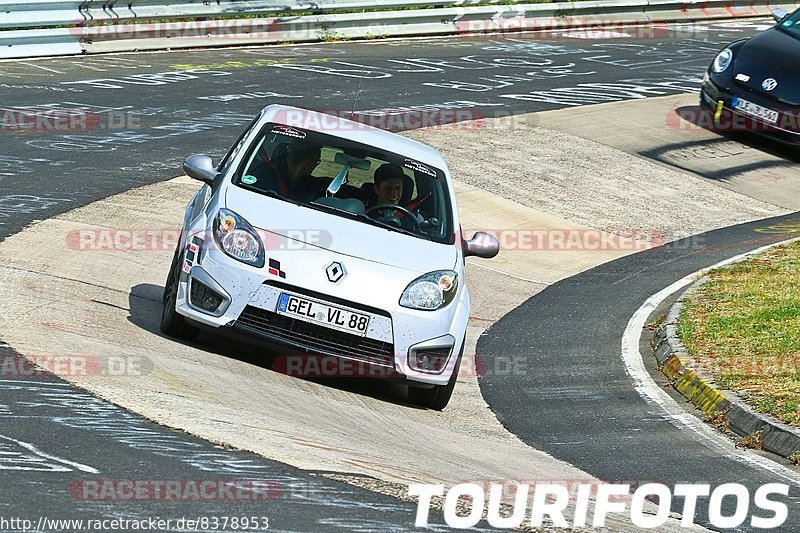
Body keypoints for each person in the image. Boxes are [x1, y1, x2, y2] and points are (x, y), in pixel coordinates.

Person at [248, 141, 323, 202]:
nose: (316, 166)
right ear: (307, 162)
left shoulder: (308, 184)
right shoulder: (263, 176)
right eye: (317, 162)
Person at [370, 163, 422, 231]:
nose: (394, 193)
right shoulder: (362, 212)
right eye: (388, 189)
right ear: (376, 189)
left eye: (398, 188)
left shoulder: (415, 220)